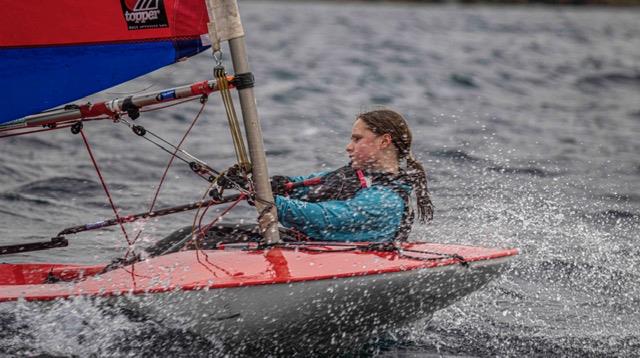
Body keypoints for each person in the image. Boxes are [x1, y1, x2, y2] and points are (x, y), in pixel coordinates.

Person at [271, 109, 433, 242]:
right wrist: (276, 184)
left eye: (357, 139)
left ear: (384, 142)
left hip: (360, 264)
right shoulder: (350, 176)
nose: (348, 147)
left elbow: (326, 218)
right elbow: (304, 186)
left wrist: (272, 202)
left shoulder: (387, 200)